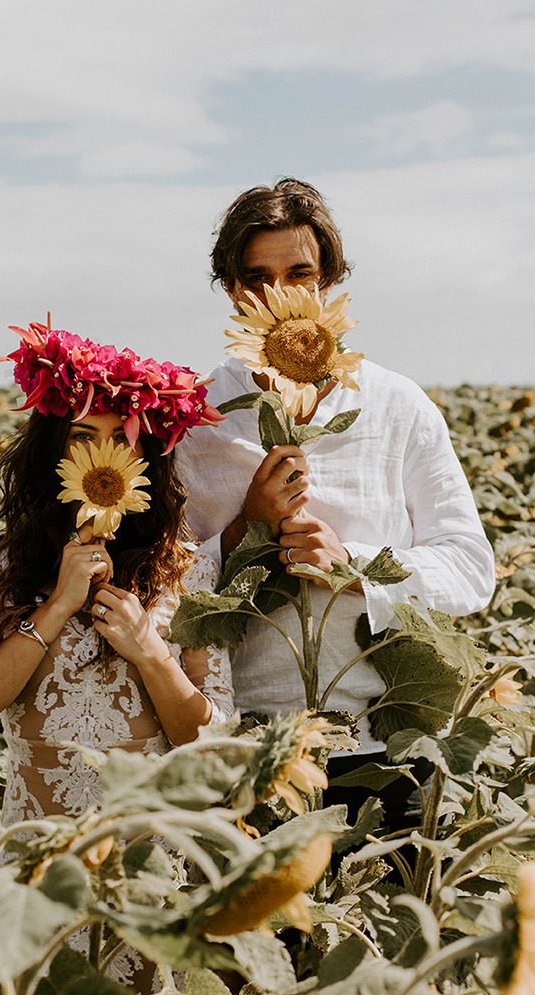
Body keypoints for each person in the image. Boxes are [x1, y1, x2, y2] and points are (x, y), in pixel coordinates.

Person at [175, 178, 495, 829]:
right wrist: (244, 531)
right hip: (244, 754)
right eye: (257, 278)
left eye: (301, 273)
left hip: (380, 746)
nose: (282, 296)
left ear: (329, 284)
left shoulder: (396, 407)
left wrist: (353, 568)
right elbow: (159, 590)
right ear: (233, 290)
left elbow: (469, 568)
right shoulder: (195, 424)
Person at [0, 326, 234, 828]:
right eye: (82, 437)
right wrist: (53, 608)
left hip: (151, 856)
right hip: (39, 855)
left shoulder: (187, 570)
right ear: (54, 449)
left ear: (145, 456)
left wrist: (149, 651)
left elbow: (215, 743)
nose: (103, 458)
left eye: (122, 439)